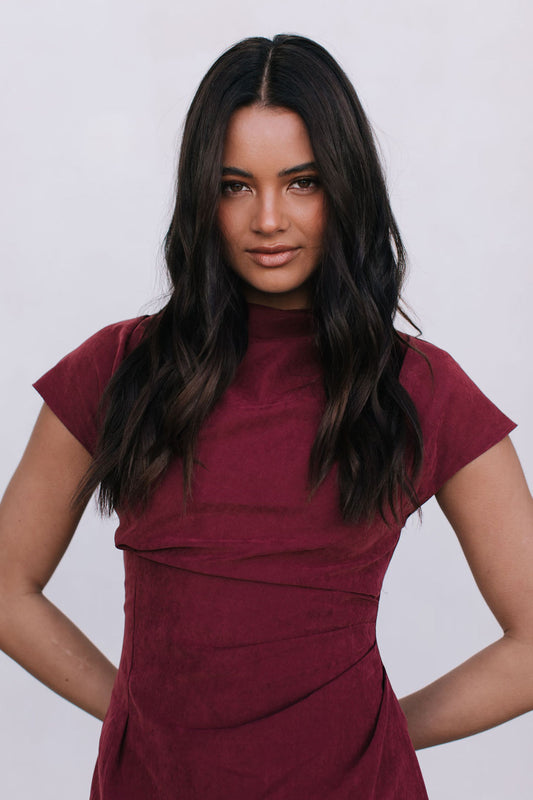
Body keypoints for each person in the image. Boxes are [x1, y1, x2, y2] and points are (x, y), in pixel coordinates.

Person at [0, 32, 532, 800]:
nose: (268, 219)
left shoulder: (419, 387)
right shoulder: (119, 369)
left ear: (344, 187)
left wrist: (380, 725)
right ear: (199, 195)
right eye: (235, 185)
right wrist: (136, 711)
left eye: (302, 182)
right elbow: (8, 585)